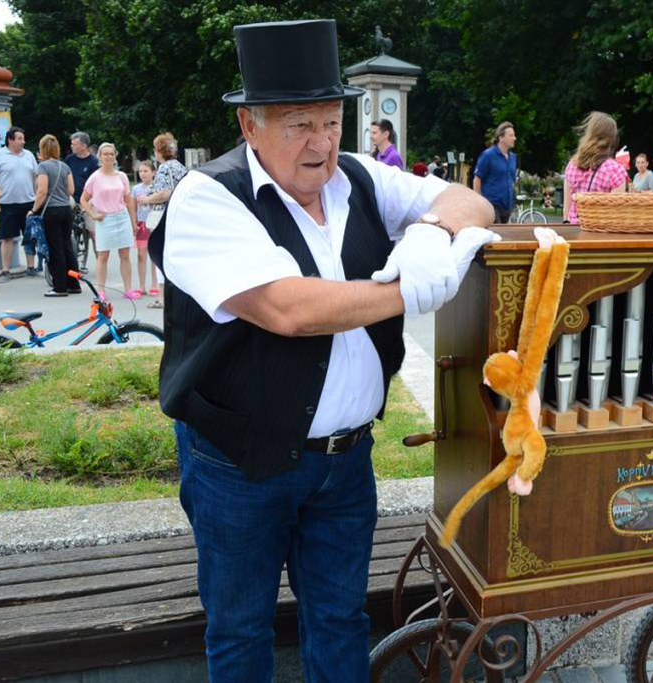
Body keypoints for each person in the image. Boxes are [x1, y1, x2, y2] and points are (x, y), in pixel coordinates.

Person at [145, 19, 497, 683]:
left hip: (345, 462)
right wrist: (404, 289)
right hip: (238, 462)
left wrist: (424, 233)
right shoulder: (206, 198)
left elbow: (469, 200)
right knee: (241, 628)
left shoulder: (358, 177)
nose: (323, 142)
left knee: (339, 621)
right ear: (250, 126)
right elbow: (289, 309)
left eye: (332, 120)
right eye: (299, 123)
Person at [81, 142, 136, 299]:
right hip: (105, 219)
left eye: (111, 153)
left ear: (115, 156)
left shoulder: (122, 176)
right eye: (105, 154)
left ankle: (128, 289)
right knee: (103, 256)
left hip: (122, 216)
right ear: (100, 156)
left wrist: (133, 221)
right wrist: (93, 215)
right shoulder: (95, 177)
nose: (109, 156)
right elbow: (83, 200)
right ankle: (101, 291)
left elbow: (129, 199)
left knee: (125, 254)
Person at [139, 132, 189, 308]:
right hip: (177, 214)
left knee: (161, 253)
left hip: (163, 215)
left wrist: (147, 199)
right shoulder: (179, 166)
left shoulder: (165, 167)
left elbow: (165, 193)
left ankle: (163, 297)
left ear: (160, 150)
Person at [29, 135, 79, 297]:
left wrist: (34, 209)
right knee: (67, 247)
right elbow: (71, 190)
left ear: (42, 149)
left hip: (51, 211)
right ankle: (74, 283)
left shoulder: (42, 167)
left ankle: (60, 287)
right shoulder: (64, 166)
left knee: (54, 248)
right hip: (65, 209)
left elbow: (42, 191)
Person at [0, 126, 38, 278]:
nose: (23, 141)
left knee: (30, 236)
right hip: (7, 203)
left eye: (23, 138)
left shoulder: (28, 155)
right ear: (10, 140)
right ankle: (6, 269)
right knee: (7, 237)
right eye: (20, 138)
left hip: (28, 201)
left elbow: (36, 176)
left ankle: (31, 267)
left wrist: (36, 198)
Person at [562, 111, 628, 224]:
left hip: (573, 231)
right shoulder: (615, 170)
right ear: (611, 139)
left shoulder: (572, 165)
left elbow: (566, 210)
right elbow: (616, 213)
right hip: (600, 234)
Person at [473, 121, 518, 223]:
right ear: (501, 138)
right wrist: (479, 202)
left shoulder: (513, 158)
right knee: (496, 235)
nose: (514, 138)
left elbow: (512, 180)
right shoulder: (488, 155)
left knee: (503, 237)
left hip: (507, 206)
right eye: (511, 135)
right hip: (491, 205)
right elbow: (477, 178)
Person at [64, 131, 100, 248]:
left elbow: (97, 185)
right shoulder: (69, 159)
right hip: (71, 198)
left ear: (84, 146)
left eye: (74, 144)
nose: (71, 146)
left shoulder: (94, 162)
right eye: (71, 143)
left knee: (93, 232)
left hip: (88, 201)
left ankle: (99, 260)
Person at [131, 160, 160, 299]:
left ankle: (154, 284)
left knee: (154, 255)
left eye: (146, 171)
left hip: (154, 222)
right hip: (141, 223)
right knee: (141, 255)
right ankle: (141, 285)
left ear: (153, 172)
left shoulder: (158, 188)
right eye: (141, 171)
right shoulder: (136, 189)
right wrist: (133, 223)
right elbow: (132, 207)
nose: (143, 174)